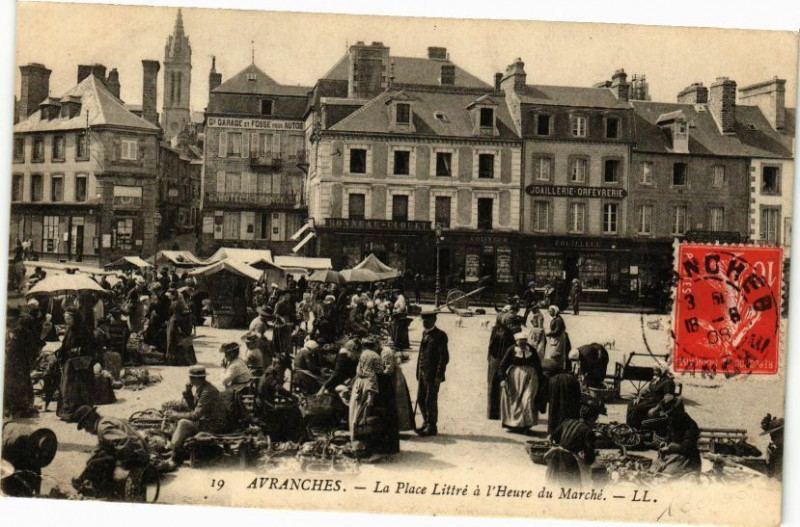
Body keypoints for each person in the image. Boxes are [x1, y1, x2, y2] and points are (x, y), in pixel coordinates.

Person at [69, 406, 149, 496]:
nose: (86, 431)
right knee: (98, 458)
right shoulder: (103, 422)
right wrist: (89, 464)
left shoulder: (104, 428)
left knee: (102, 462)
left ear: (88, 421)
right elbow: (101, 447)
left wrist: (120, 464)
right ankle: (91, 484)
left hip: (137, 455)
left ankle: (107, 491)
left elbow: (124, 443)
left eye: (85, 427)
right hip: (136, 450)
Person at [165, 366, 229, 467]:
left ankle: (174, 456)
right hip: (208, 421)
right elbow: (194, 408)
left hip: (215, 424)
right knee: (180, 421)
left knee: (183, 423)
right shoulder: (203, 388)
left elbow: (195, 415)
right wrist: (188, 392)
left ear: (197, 379)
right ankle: (176, 449)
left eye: (191, 377)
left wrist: (176, 415)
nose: (189, 379)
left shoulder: (207, 391)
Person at [545, 402, 603, 487]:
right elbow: (589, 459)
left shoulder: (567, 421)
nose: (595, 423)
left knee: (555, 486)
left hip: (555, 458)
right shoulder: (587, 432)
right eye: (595, 420)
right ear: (591, 419)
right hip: (568, 462)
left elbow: (553, 437)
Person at [498, 332, 546, 433]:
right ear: (516, 342)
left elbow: (538, 365)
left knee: (528, 399)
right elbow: (502, 365)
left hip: (530, 377)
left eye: (524, 341)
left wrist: (541, 379)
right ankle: (515, 424)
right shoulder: (511, 350)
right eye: (521, 342)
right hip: (515, 377)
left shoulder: (531, 350)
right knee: (515, 401)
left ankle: (526, 425)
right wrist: (502, 379)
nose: (523, 344)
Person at [3, 300, 44, 417]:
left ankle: (18, 407)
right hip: (16, 363)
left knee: (18, 384)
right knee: (17, 383)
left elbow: (32, 345)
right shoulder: (14, 331)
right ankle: (17, 407)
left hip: (17, 362)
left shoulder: (19, 331)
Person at [56, 307, 96, 419]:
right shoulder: (69, 330)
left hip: (81, 366)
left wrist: (79, 350)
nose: (67, 321)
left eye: (69, 319)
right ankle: (68, 412)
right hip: (70, 364)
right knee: (67, 389)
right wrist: (60, 353)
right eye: (65, 319)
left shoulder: (84, 330)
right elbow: (65, 346)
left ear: (75, 318)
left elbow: (90, 346)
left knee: (80, 390)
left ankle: (81, 413)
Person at [416, 311, 449, 437]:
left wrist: (439, 376)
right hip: (422, 372)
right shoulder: (424, 333)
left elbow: (444, 358)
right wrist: (418, 371)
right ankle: (426, 421)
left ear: (434, 320)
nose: (424, 323)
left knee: (430, 399)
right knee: (420, 399)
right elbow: (421, 354)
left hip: (432, 375)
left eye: (427, 321)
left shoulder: (440, 335)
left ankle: (431, 426)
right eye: (423, 321)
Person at [649, 394, 701, 476]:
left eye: (671, 413)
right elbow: (669, 436)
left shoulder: (690, 425)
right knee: (653, 470)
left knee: (666, 475)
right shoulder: (673, 422)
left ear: (679, 411)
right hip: (673, 455)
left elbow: (688, 447)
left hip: (687, 459)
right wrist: (665, 442)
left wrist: (672, 447)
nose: (669, 416)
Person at [349, 338, 383, 445]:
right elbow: (368, 374)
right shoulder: (370, 355)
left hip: (363, 385)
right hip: (366, 386)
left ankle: (357, 441)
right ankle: (359, 442)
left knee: (357, 414)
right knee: (360, 415)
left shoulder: (365, 355)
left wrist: (370, 396)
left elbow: (367, 374)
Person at [626, 365, 677, 429]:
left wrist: (656, 408)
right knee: (631, 404)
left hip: (657, 402)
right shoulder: (655, 380)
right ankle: (629, 427)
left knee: (637, 408)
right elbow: (647, 389)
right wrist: (639, 397)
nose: (654, 372)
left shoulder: (668, 382)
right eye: (654, 370)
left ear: (662, 370)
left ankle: (636, 429)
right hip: (649, 400)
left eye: (656, 370)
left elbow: (668, 398)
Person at [487, 315, 515, 420]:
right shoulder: (506, 333)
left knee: (495, 387)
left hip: (497, 360)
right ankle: (498, 413)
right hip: (500, 361)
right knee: (498, 386)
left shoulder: (498, 330)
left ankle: (494, 413)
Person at [546, 371, 582, 437]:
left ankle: (552, 434)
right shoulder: (573, 380)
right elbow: (578, 398)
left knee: (554, 411)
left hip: (555, 399)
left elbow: (548, 397)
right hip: (568, 408)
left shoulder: (552, 379)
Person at [543, 305, 568, 375]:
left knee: (556, 353)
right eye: (549, 311)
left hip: (558, 338)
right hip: (556, 338)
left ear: (555, 311)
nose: (550, 313)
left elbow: (557, 331)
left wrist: (548, 333)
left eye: (551, 311)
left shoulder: (558, 320)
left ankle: (556, 368)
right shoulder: (556, 318)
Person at [761, 414, 784, 480]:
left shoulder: (776, 428)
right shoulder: (774, 429)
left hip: (781, 446)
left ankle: (772, 474)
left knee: (772, 455)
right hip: (779, 445)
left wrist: (775, 445)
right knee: (770, 453)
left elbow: (779, 440)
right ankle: (772, 474)